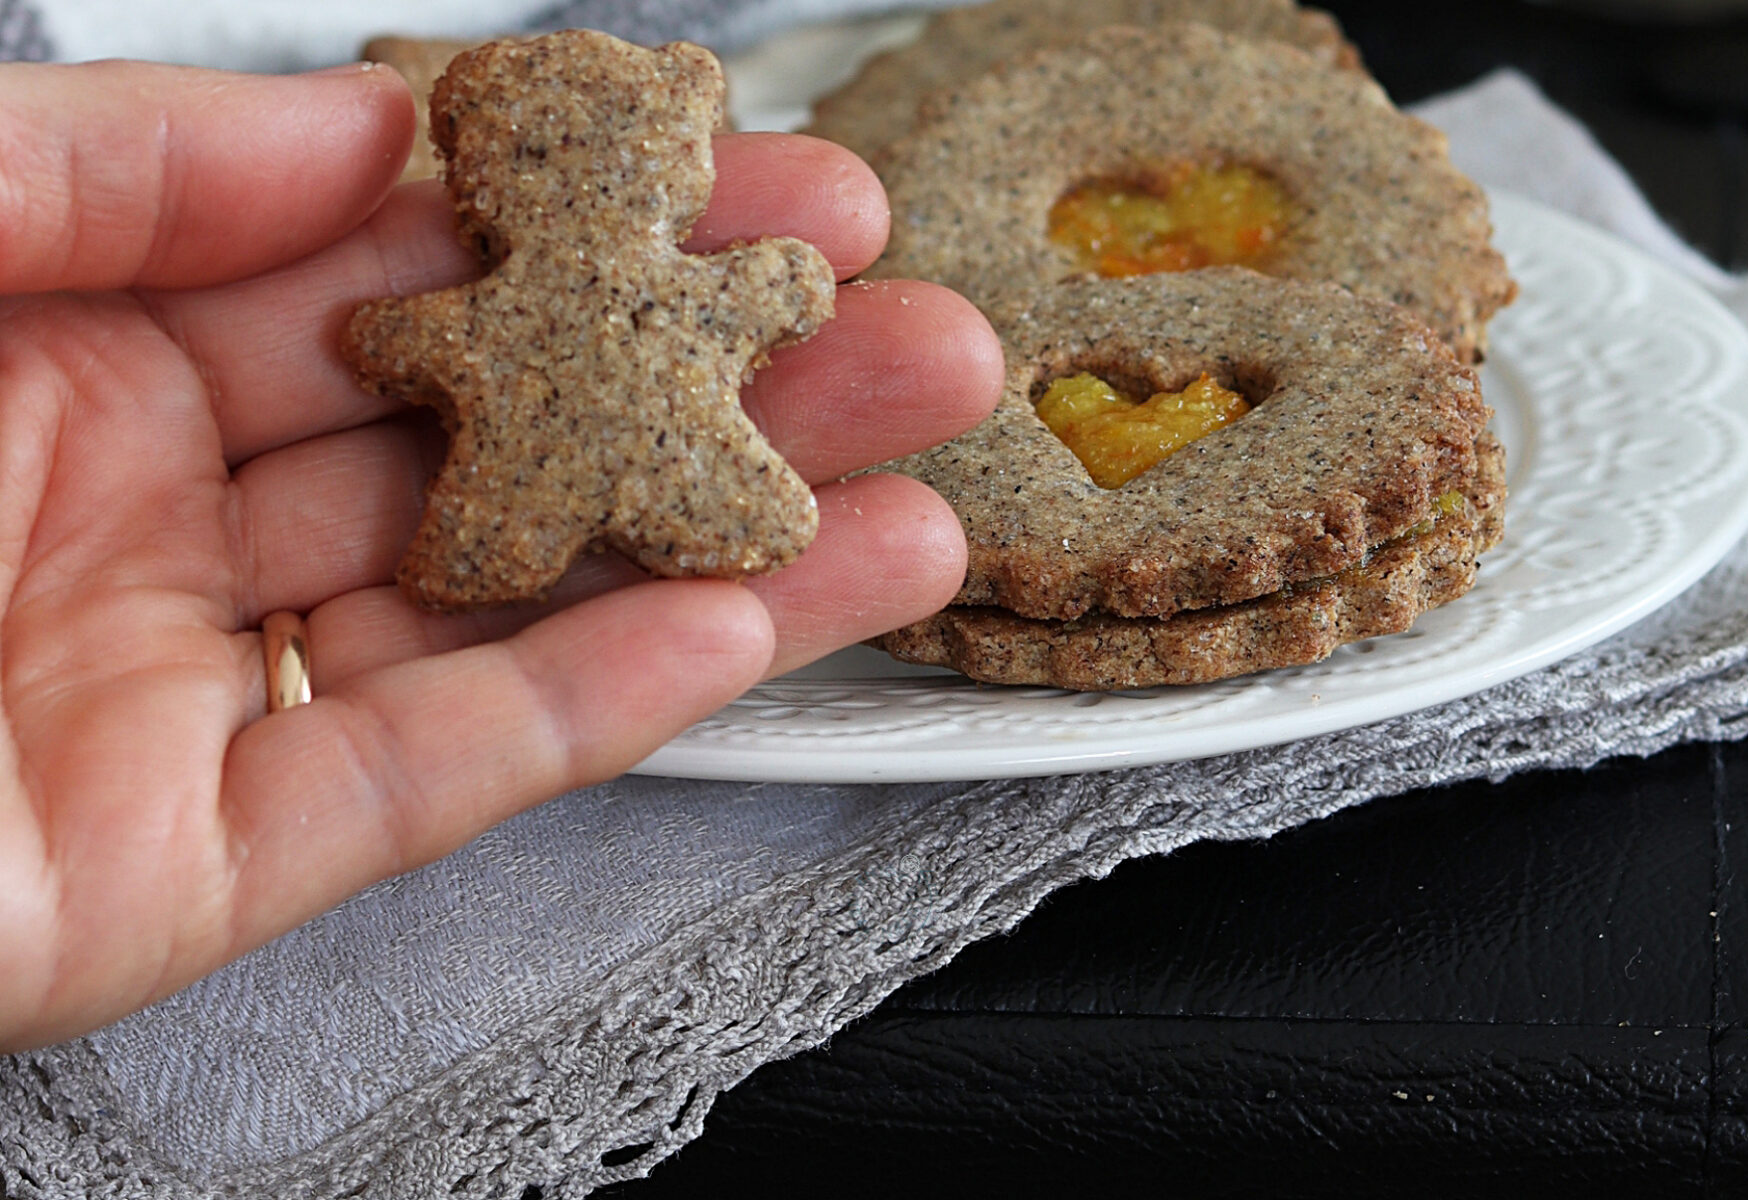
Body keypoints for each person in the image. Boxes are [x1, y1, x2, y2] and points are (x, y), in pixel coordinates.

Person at [0, 57, 1002, 1052]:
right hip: (524, 493)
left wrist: (772, 279)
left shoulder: (635, 291)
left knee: (732, 517)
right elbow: (404, 338)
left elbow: (410, 334)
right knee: (518, 541)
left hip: (677, 474)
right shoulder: (507, 308)